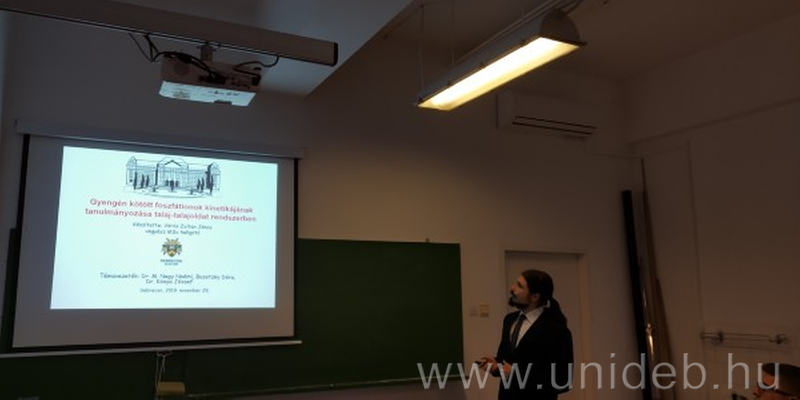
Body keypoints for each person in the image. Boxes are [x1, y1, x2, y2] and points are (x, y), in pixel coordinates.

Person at [478, 269, 574, 400]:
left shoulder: (557, 330)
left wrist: (516, 374)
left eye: (519, 286)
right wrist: (496, 366)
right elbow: (508, 362)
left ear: (535, 297)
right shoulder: (509, 320)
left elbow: (563, 381)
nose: (512, 288)